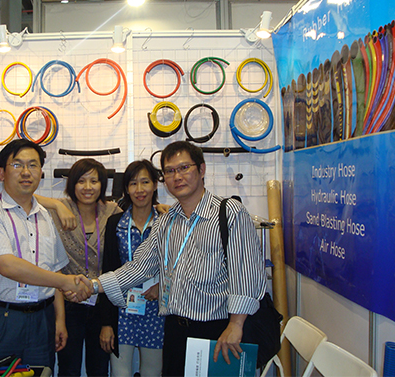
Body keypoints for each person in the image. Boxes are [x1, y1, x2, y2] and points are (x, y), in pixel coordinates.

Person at [83, 141, 267, 377]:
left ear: (201, 169)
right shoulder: (166, 221)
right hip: (174, 329)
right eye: (169, 171)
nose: (177, 176)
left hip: (218, 330)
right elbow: (139, 267)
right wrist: (94, 285)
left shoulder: (229, 212)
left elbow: (247, 273)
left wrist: (236, 324)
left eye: (184, 168)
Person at [0, 139, 92, 369]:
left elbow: (54, 268)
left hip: (42, 320)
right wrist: (66, 282)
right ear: (1, 173)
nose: (26, 172)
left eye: (33, 165)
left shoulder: (45, 215)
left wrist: (59, 320)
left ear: (40, 173)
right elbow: (8, 266)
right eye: (17, 165)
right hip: (2, 319)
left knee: (41, 373)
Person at [47, 158, 122, 377]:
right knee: (68, 369)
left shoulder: (112, 211)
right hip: (68, 303)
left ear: (102, 185)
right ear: (72, 184)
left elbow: (141, 209)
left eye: (94, 181)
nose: (88, 187)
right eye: (81, 181)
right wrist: (57, 205)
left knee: (99, 369)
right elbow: (29, 197)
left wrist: (161, 207)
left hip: (103, 304)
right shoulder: (60, 210)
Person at [98, 160, 165, 377]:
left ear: (155, 185)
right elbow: (108, 271)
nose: (139, 189)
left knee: (152, 372)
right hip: (122, 309)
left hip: (157, 310)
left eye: (145, 182)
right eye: (133, 183)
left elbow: (178, 266)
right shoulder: (115, 224)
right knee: (120, 372)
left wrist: (163, 286)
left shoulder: (166, 223)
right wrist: (106, 323)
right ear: (126, 188)